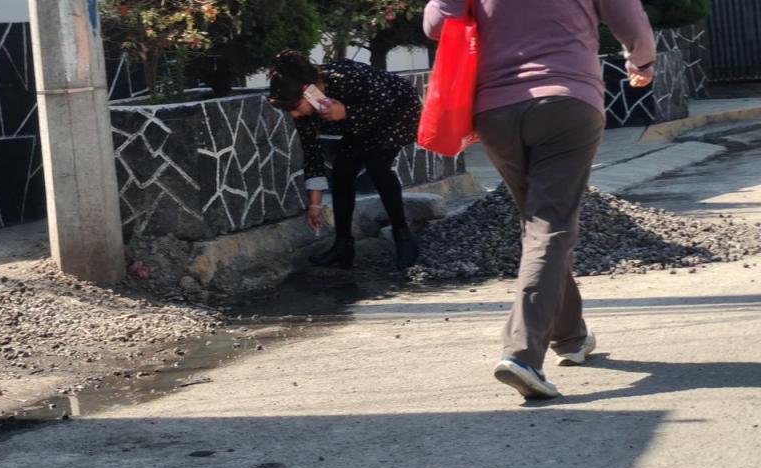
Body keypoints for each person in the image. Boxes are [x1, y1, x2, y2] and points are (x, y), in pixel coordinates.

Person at [423, 0, 656, 399]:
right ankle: (522, 355)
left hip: (495, 111)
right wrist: (642, 63)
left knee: (540, 225)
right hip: (567, 102)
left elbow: (435, 24)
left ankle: (570, 336)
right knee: (549, 223)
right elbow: (629, 19)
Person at [267, 50, 421, 270]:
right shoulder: (308, 110)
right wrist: (315, 204)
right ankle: (343, 246)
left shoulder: (347, 77)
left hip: (398, 110)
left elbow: (384, 103)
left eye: (293, 107)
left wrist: (346, 112)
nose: (293, 115)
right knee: (341, 172)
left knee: (377, 165)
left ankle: (404, 238)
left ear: (306, 91)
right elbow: (311, 152)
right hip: (361, 122)